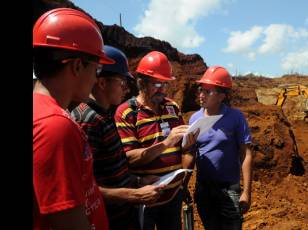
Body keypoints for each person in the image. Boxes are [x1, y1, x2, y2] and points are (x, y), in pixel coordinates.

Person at [33, 8, 114, 229]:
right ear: (77, 66)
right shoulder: (56, 125)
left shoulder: (40, 111)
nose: (96, 79)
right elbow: (67, 221)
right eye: (97, 69)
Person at [71, 45, 165, 230]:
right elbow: (83, 189)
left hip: (123, 215)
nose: (126, 89)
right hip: (108, 219)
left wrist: (138, 182)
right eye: (122, 83)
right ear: (102, 83)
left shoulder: (104, 115)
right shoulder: (87, 121)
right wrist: (133, 195)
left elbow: (113, 170)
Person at [114, 51, 198, 230]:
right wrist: (166, 143)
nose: (162, 89)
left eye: (165, 84)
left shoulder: (172, 107)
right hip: (146, 198)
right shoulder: (127, 113)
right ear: (142, 83)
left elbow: (183, 149)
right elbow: (129, 157)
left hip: (173, 195)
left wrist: (187, 145)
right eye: (157, 84)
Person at [189, 66, 254, 230]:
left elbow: (246, 154)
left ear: (221, 96)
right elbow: (189, 153)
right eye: (201, 89)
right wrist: (183, 185)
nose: (201, 95)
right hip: (204, 190)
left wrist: (246, 191)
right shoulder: (194, 119)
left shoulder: (236, 117)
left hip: (229, 189)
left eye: (207, 91)